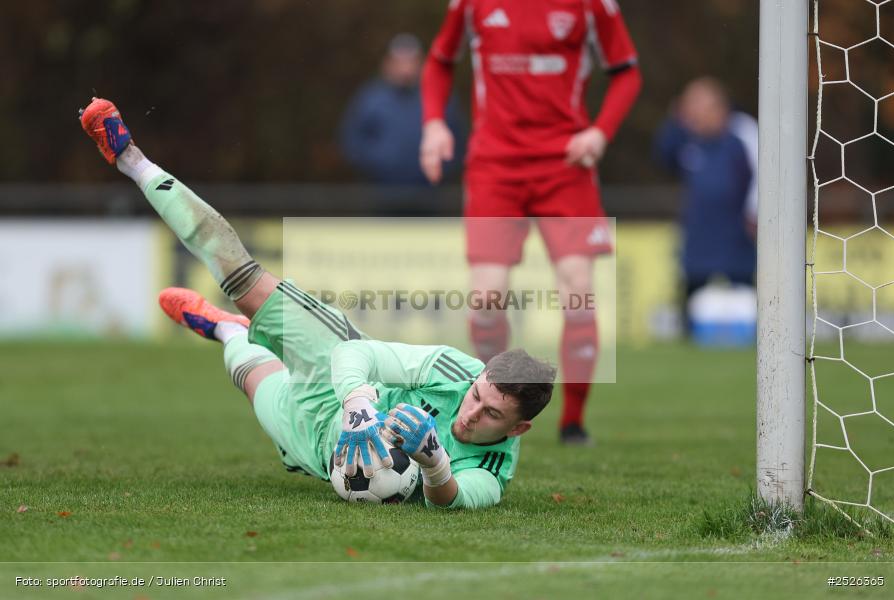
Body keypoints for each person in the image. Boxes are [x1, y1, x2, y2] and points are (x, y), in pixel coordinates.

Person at [78, 97, 556, 509]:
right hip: (345, 379)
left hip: (319, 443)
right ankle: (131, 159)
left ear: (518, 430)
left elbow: (457, 499)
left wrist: (434, 464)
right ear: (478, 377)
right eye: (478, 396)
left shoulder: (494, 467)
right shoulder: (453, 369)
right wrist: (358, 402)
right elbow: (357, 355)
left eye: (492, 415)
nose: (471, 413)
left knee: (252, 376)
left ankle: (224, 330)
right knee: (246, 280)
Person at [419, 0, 642, 445]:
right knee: (485, 298)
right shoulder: (471, 6)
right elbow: (439, 62)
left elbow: (627, 72)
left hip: (565, 163)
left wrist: (600, 132)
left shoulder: (592, 6)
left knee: (578, 289)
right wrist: (433, 125)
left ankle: (573, 422)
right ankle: (496, 401)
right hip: (495, 165)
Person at [654, 77, 758, 325]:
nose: (694, 116)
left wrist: (755, 213)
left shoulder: (742, 135)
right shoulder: (688, 140)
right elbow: (662, 154)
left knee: (744, 290)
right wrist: (676, 120)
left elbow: (763, 174)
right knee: (692, 290)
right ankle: (687, 335)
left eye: (699, 108)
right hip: (699, 233)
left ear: (719, 108)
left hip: (736, 233)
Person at [339, 33, 465, 186]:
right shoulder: (370, 98)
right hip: (382, 192)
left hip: (430, 191)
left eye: (411, 61)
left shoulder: (440, 97)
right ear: (388, 63)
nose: (406, 68)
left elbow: (457, 139)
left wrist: (441, 169)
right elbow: (353, 140)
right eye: (400, 62)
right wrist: (378, 165)